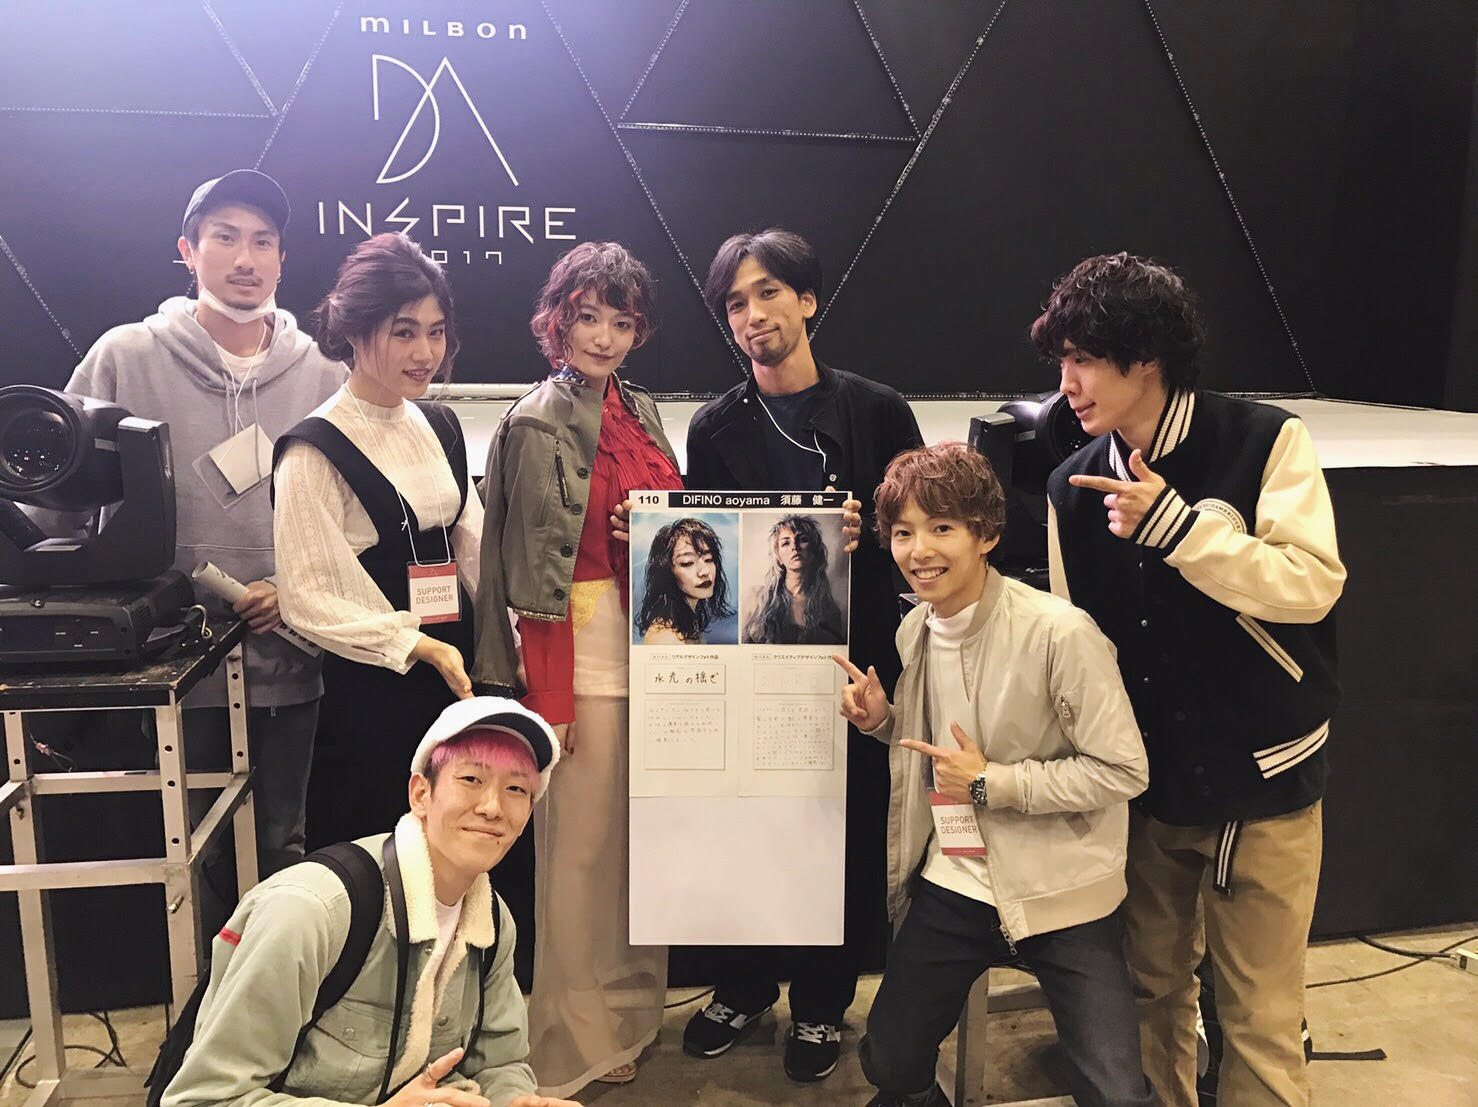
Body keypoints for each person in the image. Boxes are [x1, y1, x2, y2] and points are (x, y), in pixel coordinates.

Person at [1038, 253, 1345, 1106]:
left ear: (1147, 356)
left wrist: (1179, 530)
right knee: (1148, 998)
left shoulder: (1265, 440)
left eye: (1084, 358)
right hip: (1151, 790)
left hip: (1264, 779)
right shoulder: (1071, 486)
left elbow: (1313, 583)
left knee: (1261, 1022)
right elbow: (1076, 646)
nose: (1067, 384)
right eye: (1061, 360)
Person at [836, 442, 1152, 1107]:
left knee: (1117, 1092)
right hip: (958, 875)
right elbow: (945, 752)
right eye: (903, 532)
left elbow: (1123, 770)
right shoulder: (916, 629)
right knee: (888, 1057)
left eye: (942, 527)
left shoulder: (1060, 633)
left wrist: (991, 784)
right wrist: (883, 721)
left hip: (1062, 883)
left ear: (986, 535)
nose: (919, 550)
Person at [678, 228, 923, 1083]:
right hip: (752, 665)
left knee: (839, 831)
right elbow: (710, 541)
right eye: (735, 303)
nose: (753, 315)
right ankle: (742, 985)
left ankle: (822, 1001)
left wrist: (875, 532)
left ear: (808, 299)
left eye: (769, 292)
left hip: (852, 665)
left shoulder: (876, 410)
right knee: (747, 823)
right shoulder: (714, 425)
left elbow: (925, 527)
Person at [59, 169, 345, 876]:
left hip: (291, 655)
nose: (245, 258)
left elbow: (351, 511)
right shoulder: (125, 356)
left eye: (263, 241)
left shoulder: (324, 372)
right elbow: (61, 498)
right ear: (188, 250)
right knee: (192, 856)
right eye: (225, 238)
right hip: (172, 662)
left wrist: (294, 588)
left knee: (282, 845)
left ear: (282, 258)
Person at [472, 242, 680, 1096]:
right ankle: (578, 1018)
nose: (603, 336)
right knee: (580, 849)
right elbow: (526, 573)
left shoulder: (642, 408)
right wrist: (548, 694)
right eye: (587, 316)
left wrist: (654, 530)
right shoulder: (534, 421)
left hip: (658, 650)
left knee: (637, 844)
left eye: (620, 321)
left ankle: (626, 996)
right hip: (583, 655)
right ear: (556, 320)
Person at [161, 695, 582, 1107]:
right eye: (471, 779)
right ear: (421, 794)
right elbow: (203, 1099)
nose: (493, 807)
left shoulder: (490, 922)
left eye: (516, 789)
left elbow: (500, 1063)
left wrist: (514, 1099)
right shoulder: (311, 912)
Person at [274, 233, 482, 849]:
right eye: (403, 332)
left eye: (436, 332)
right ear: (355, 331)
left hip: (458, 668)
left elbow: (472, 547)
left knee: (460, 842)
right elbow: (307, 595)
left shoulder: (439, 423)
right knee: (382, 848)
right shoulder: (314, 449)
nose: (425, 353)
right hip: (374, 689)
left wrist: (506, 644)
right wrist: (415, 645)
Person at [743, 513, 845, 645]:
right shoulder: (756, 598)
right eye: (786, 543)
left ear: (814, 550)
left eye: (802, 540)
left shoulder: (829, 609)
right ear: (778, 556)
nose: (794, 547)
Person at [635, 517, 734, 645]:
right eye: (687, 563)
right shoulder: (665, 638)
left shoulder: (689, 622)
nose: (704, 571)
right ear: (667, 571)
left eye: (709, 559)